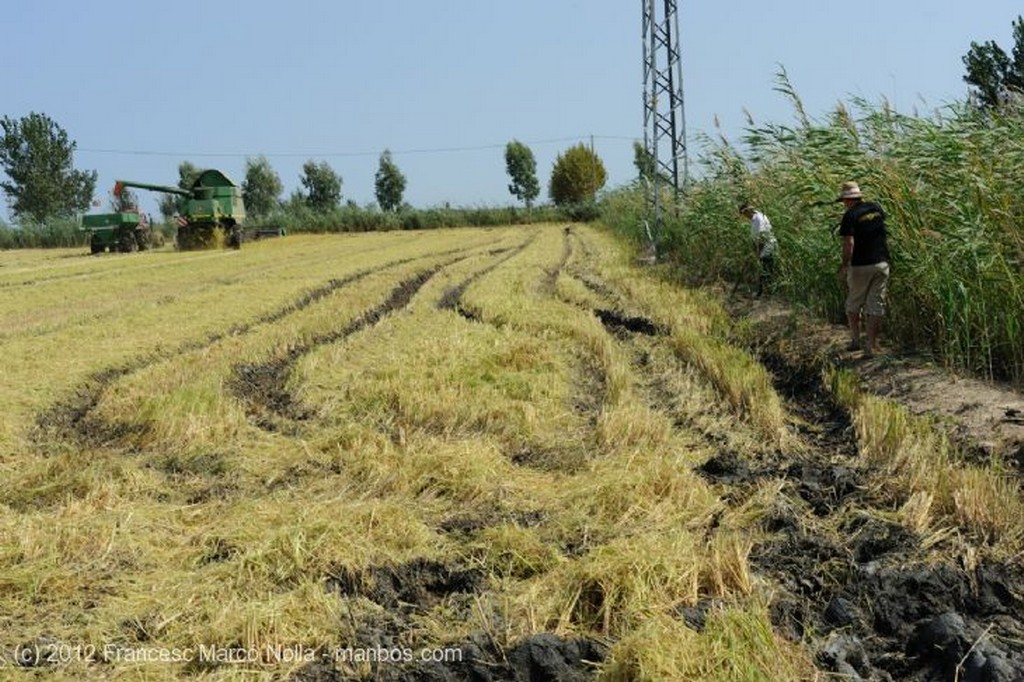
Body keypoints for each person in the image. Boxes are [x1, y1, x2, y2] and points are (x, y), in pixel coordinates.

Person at [836, 181, 890, 357]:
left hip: (861, 265)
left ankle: (855, 341)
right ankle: (870, 346)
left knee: (853, 303)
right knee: (875, 304)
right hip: (882, 263)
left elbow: (849, 243)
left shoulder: (850, 215)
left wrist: (845, 265)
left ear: (847, 200)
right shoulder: (876, 208)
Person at [739, 204, 778, 297]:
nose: (745, 217)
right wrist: (753, 249)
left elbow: (762, 237)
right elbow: (756, 238)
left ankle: (764, 292)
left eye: (744, 214)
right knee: (764, 270)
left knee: (765, 270)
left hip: (768, 246)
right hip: (762, 247)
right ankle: (764, 292)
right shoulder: (754, 219)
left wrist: (757, 251)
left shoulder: (759, 218)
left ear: (747, 211)